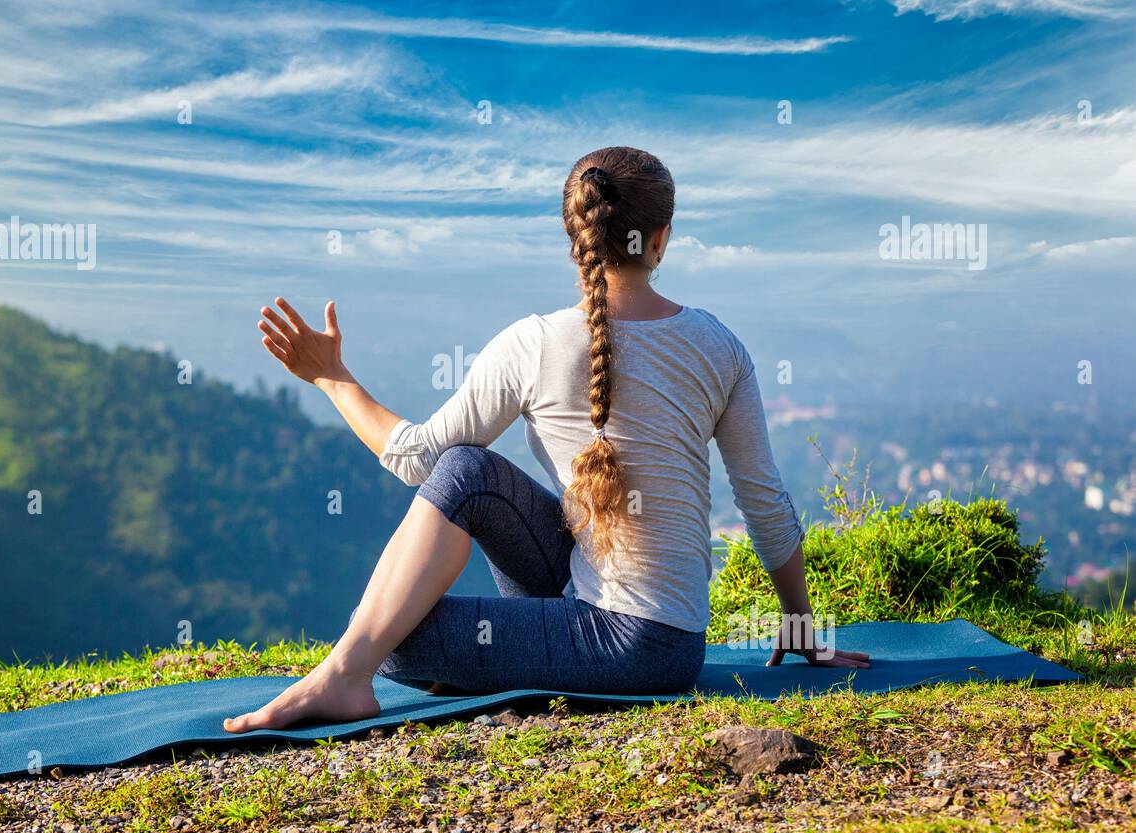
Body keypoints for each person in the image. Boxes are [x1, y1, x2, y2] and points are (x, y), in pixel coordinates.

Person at [225, 146, 868, 733]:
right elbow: (764, 502)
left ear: (574, 237)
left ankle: (344, 676)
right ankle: (368, 668)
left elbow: (412, 456)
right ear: (662, 239)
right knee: (468, 471)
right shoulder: (718, 345)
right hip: (671, 639)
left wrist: (333, 380)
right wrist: (800, 627)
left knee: (390, 637)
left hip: (629, 647)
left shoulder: (532, 342)